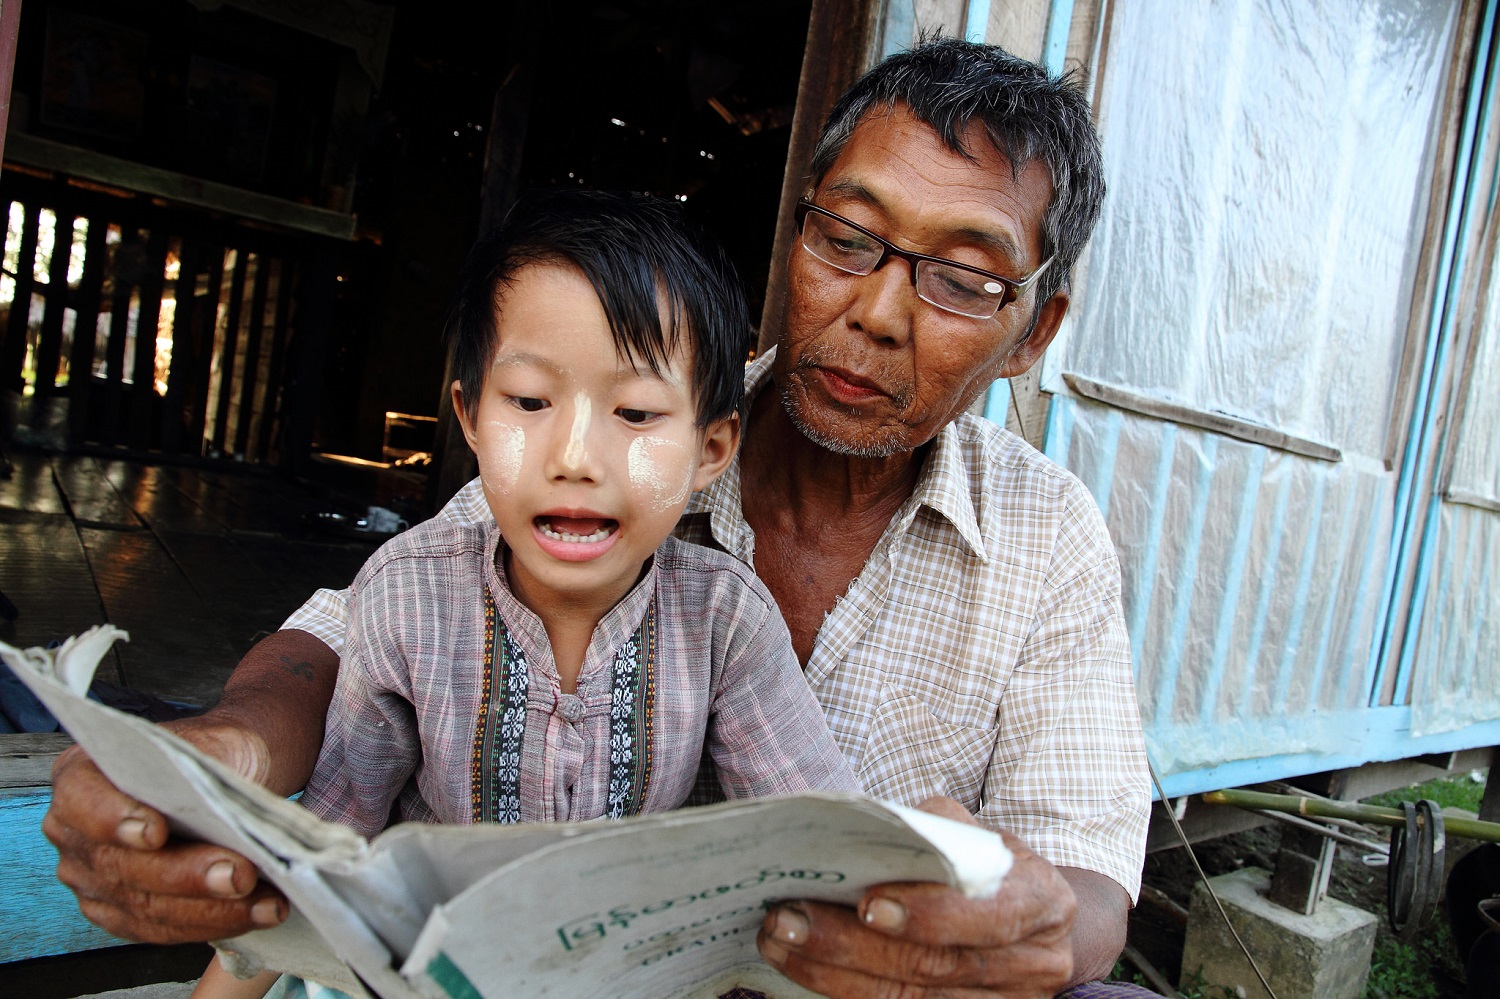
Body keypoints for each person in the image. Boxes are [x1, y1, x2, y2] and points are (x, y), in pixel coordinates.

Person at [45, 38, 1153, 998]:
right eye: (847, 240)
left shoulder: (1045, 536)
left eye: (960, 278)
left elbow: (1087, 868)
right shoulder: (622, 447)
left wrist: (1034, 931)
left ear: (1036, 327)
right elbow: (361, 632)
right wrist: (228, 748)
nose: (874, 311)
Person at [192, 190, 859, 997]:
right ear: (470, 416)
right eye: (530, 402)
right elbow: (328, 844)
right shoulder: (408, 598)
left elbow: (820, 844)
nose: (574, 455)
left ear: (712, 446)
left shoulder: (725, 621)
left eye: (637, 411)